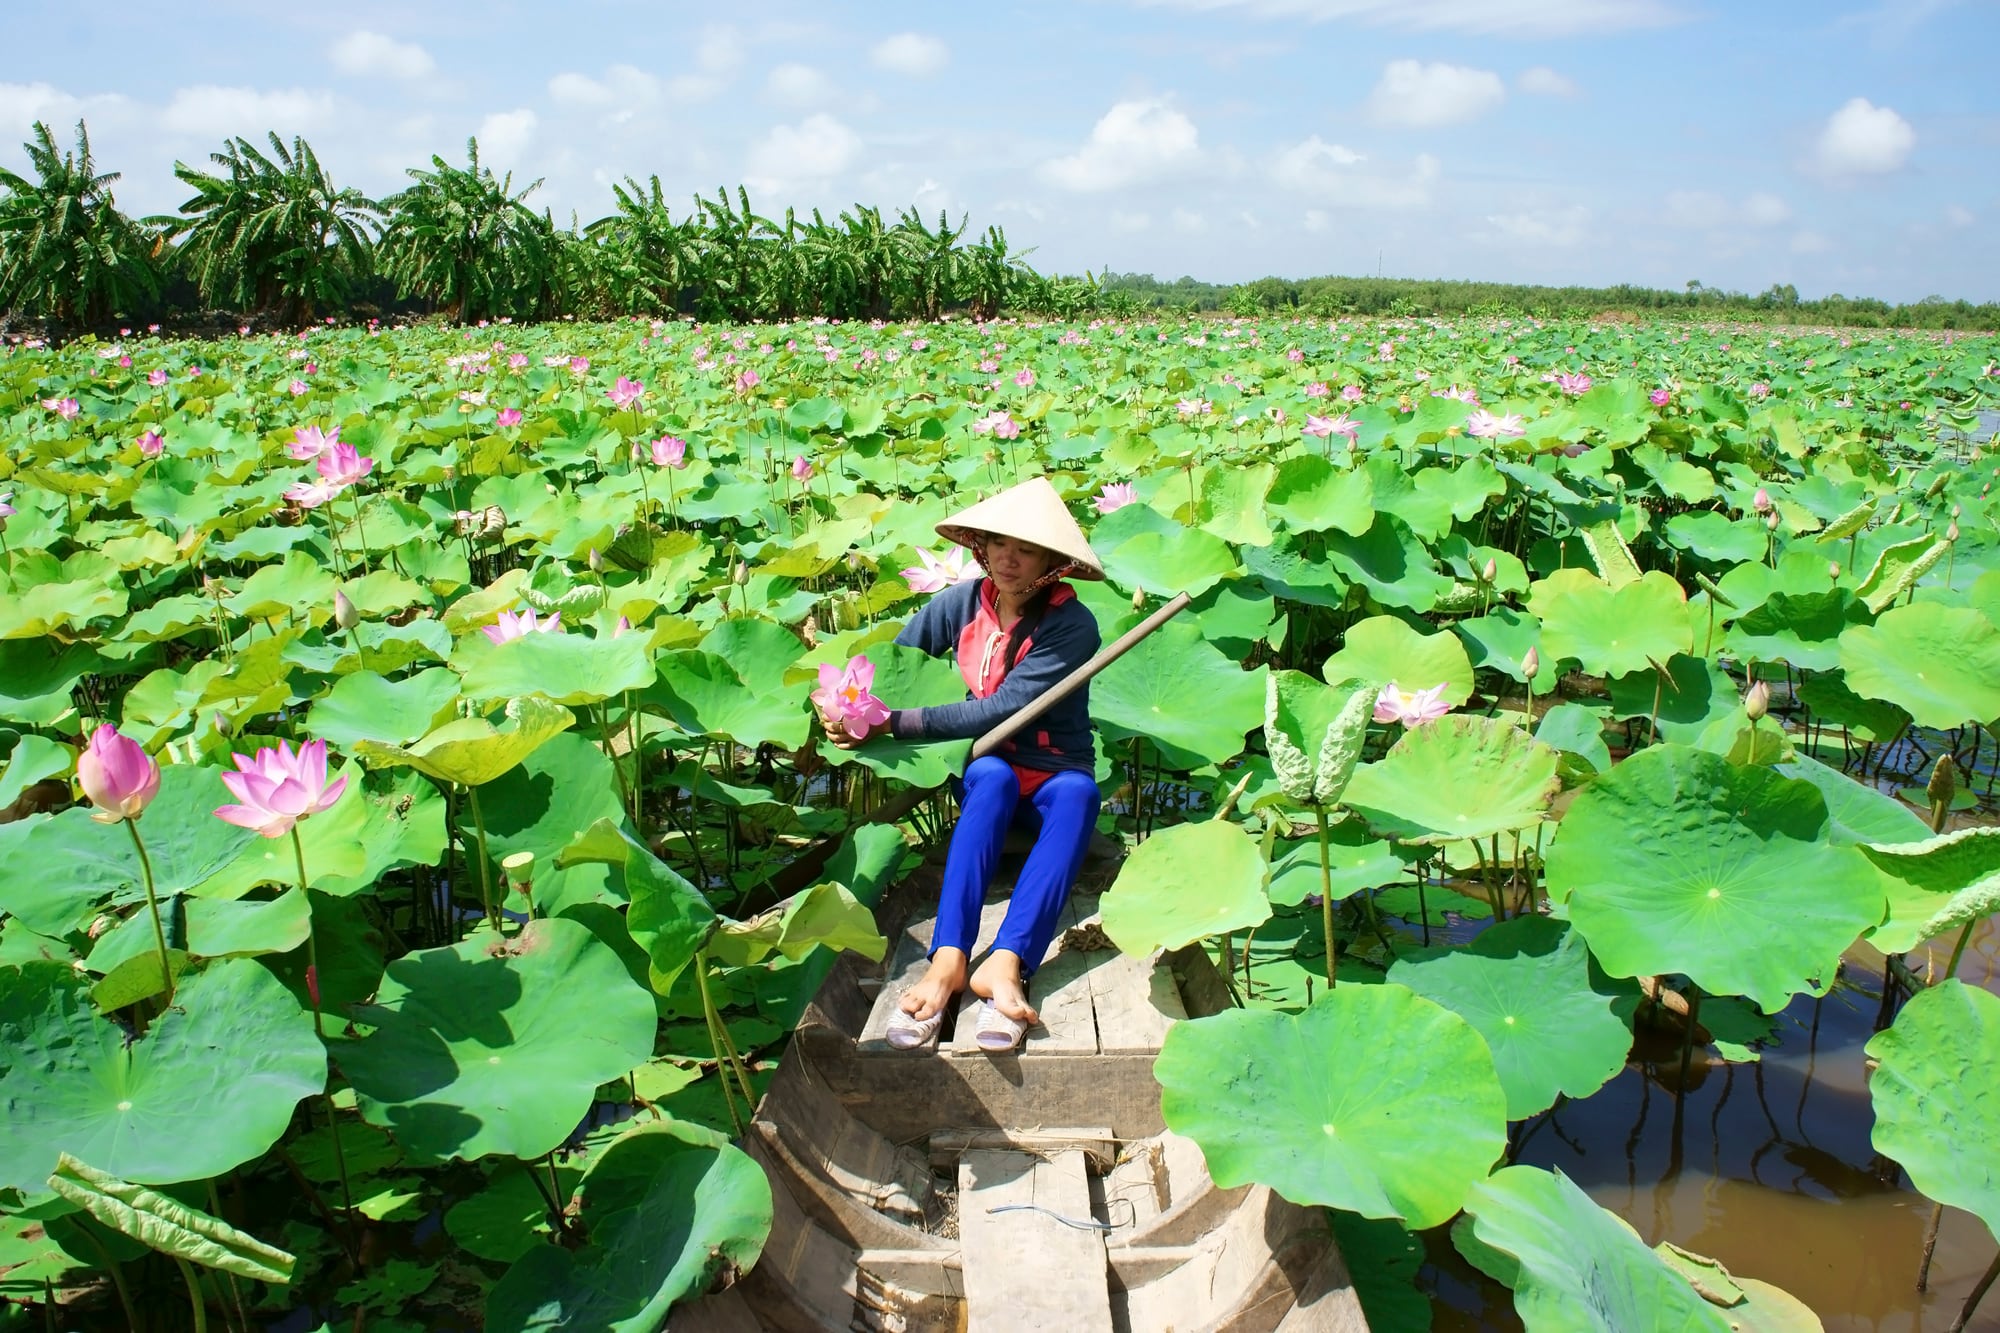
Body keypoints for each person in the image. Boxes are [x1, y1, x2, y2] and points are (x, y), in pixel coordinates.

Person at [817, 477, 1104, 1053]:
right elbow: (894, 667)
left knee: (1079, 795)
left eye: (1025, 548)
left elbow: (1002, 709)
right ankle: (948, 958)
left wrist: (896, 722)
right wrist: (851, 710)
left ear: (1052, 562)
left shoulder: (1073, 626)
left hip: (1051, 771)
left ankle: (1007, 960)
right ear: (982, 546)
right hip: (985, 770)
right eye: (998, 543)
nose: (1008, 557)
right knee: (992, 776)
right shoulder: (959, 603)